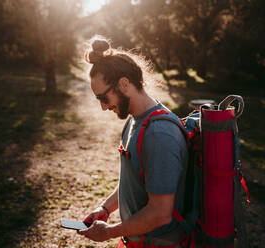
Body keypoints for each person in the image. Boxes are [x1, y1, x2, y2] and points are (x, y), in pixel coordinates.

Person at [78, 36, 189, 247]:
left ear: (124, 84)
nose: (103, 107)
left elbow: (160, 213)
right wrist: (105, 209)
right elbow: (136, 180)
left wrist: (110, 232)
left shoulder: (159, 134)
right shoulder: (136, 121)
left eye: (104, 98)